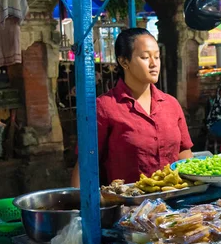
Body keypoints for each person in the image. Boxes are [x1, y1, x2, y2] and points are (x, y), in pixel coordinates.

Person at [71, 28, 193, 187]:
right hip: (128, 205)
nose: (153, 63)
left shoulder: (171, 104)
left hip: (174, 202)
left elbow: (184, 152)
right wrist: (81, 207)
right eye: (144, 57)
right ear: (124, 62)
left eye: (157, 56)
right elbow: (85, 164)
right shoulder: (105, 107)